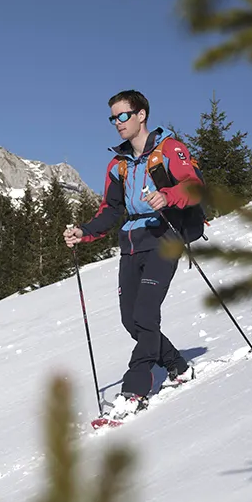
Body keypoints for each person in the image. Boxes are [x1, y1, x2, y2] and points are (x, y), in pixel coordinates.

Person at [63, 89, 203, 419]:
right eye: (113, 117)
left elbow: (194, 186)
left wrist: (167, 196)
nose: (117, 122)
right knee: (131, 320)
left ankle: (135, 389)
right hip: (131, 243)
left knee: (145, 315)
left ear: (141, 115)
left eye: (123, 115)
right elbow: (111, 210)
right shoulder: (119, 164)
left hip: (164, 236)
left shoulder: (169, 149)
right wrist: (84, 231)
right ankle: (177, 365)